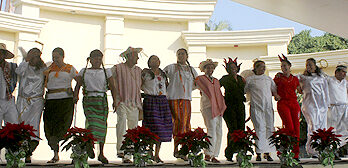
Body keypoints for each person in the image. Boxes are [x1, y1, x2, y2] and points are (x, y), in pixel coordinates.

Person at [74, 49, 117, 164]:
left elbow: (113, 87)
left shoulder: (106, 71)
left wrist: (115, 101)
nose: (97, 61)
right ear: (90, 59)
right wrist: (75, 96)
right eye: (95, 58)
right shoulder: (84, 71)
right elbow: (78, 85)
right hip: (89, 99)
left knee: (102, 126)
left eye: (100, 58)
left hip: (102, 100)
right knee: (91, 124)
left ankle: (101, 153)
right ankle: (89, 147)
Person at [43, 47, 78, 163]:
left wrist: (75, 94)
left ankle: (74, 152)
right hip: (51, 100)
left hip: (65, 101)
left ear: (63, 56)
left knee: (64, 125)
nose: (55, 59)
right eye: (53, 57)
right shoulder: (48, 69)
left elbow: (80, 80)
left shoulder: (69, 68)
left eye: (57, 57)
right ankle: (55, 153)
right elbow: (42, 84)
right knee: (50, 127)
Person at [164, 48, 198, 160]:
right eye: (178, 54)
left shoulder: (191, 69)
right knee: (177, 123)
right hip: (173, 98)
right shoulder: (171, 67)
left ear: (187, 56)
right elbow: (161, 76)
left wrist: (188, 89)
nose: (180, 56)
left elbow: (196, 83)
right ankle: (176, 148)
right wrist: (167, 87)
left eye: (182, 54)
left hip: (186, 98)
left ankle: (184, 149)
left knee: (186, 123)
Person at [112, 46, 142, 163]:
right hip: (122, 101)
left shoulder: (139, 70)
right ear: (129, 57)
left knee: (133, 128)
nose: (137, 58)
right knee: (121, 122)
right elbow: (108, 78)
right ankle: (121, 150)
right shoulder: (117, 68)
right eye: (135, 56)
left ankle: (129, 155)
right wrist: (114, 97)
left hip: (134, 102)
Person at [244, 60, 279, 161]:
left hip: (267, 107)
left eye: (264, 67)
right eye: (261, 67)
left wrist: (276, 96)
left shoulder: (268, 79)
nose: (263, 69)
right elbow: (244, 90)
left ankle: (267, 153)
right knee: (259, 128)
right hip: (256, 107)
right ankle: (258, 152)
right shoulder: (250, 79)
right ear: (255, 68)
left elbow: (274, 91)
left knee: (269, 128)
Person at [16, 48, 46, 163]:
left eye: (37, 56)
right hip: (23, 100)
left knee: (33, 126)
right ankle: (19, 151)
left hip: (36, 101)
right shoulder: (24, 67)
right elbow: (19, 72)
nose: (35, 58)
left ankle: (29, 152)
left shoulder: (43, 68)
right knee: (21, 125)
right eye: (33, 56)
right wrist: (26, 60)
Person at [141, 55, 172, 163]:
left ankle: (157, 154)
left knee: (161, 127)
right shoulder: (145, 73)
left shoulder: (163, 74)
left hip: (162, 100)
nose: (156, 61)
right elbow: (140, 85)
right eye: (153, 59)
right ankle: (149, 151)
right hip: (150, 100)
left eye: (157, 59)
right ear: (149, 62)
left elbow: (166, 86)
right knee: (151, 126)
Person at [195, 59, 226, 163]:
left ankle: (214, 154)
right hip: (208, 106)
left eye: (212, 67)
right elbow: (201, 89)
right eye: (208, 67)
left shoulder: (216, 80)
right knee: (211, 128)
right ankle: (208, 153)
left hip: (217, 106)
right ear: (204, 69)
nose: (210, 69)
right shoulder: (200, 79)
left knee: (219, 130)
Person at [298, 58, 330, 156]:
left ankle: (321, 148)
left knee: (322, 127)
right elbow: (291, 78)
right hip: (309, 105)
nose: (309, 67)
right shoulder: (303, 77)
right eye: (307, 65)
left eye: (311, 64)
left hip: (321, 105)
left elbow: (326, 91)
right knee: (313, 126)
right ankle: (312, 149)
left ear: (315, 65)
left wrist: (327, 105)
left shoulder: (322, 78)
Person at [273, 54, 301, 161]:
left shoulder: (295, 79)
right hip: (283, 103)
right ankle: (283, 150)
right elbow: (272, 88)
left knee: (296, 128)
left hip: (294, 103)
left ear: (289, 66)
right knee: (289, 127)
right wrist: (276, 95)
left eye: (285, 66)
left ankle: (296, 154)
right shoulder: (278, 78)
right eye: (282, 66)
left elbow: (301, 90)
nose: (283, 68)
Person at [219, 57, 246, 162]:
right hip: (229, 106)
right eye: (230, 67)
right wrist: (222, 100)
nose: (233, 69)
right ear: (227, 69)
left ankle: (241, 151)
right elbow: (216, 88)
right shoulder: (224, 78)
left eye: (234, 67)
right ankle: (229, 153)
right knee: (232, 129)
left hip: (240, 105)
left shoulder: (240, 79)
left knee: (241, 128)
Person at [327, 64, 348, 159]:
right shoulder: (329, 80)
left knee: (343, 130)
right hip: (333, 108)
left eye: (345, 72)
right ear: (337, 72)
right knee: (332, 130)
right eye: (343, 72)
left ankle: (338, 148)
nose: (344, 74)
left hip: (344, 108)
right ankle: (331, 151)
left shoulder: (345, 82)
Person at [0, 43, 18, 125]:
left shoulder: (12, 67)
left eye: (1, 53)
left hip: (8, 98)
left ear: (4, 55)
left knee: (13, 124)